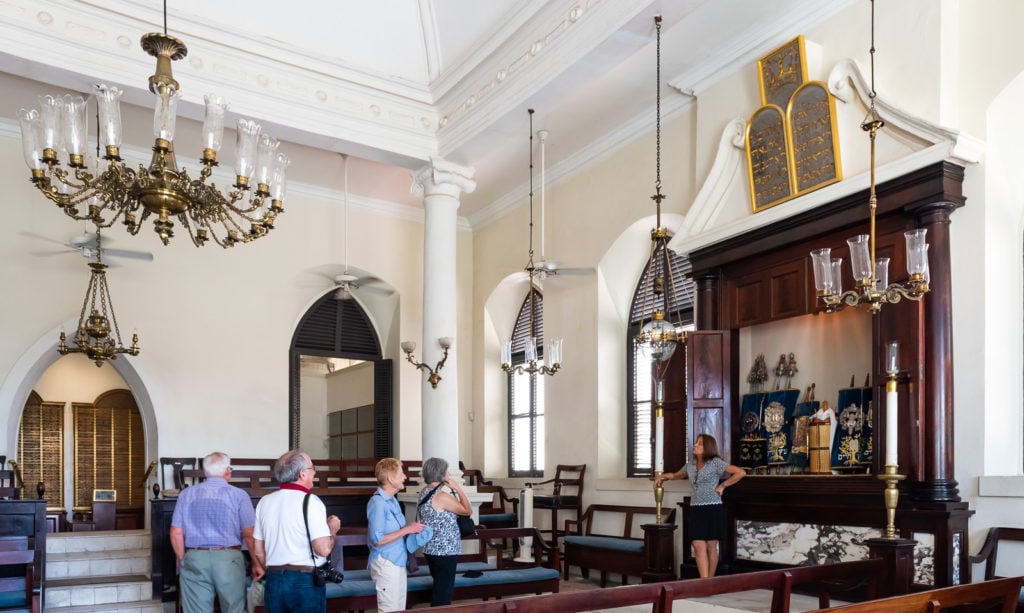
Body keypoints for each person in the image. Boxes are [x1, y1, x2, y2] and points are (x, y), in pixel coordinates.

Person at [251, 450, 341, 613]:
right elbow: (323, 549)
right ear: (302, 474)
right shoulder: (311, 501)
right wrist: (332, 529)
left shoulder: (265, 502)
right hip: (304, 581)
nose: (314, 472)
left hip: (274, 578)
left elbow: (258, 551)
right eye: (313, 468)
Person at [169, 452, 256, 613]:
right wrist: (257, 563)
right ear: (227, 471)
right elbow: (249, 534)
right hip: (229, 558)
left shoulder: (186, 494)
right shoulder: (239, 495)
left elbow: (175, 532)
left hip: (195, 557)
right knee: (234, 610)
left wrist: (184, 560)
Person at [654, 434, 745, 578]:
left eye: (699, 443)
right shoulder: (690, 465)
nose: (695, 445)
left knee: (711, 547)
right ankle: (704, 582)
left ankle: (709, 582)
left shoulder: (715, 462)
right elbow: (677, 475)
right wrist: (662, 477)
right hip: (696, 509)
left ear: (707, 447)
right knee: (697, 545)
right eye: (696, 443)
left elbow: (740, 472)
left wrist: (723, 485)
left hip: (713, 508)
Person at [367, 458, 426, 612]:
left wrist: (416, 531)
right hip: (385, 562)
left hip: (398, 561)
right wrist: (408, 529)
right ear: (391, 478)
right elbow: (377, 540)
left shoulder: (392, 501)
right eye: (401, 473)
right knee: (389, 609)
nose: (405, 477)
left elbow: (398, 533)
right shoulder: (378, 503)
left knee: (399, 608)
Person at [417, 457, 472, 606]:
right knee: (442, 595)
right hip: (445, 551)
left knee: (440, 587)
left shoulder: (424, 492)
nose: (449, 473)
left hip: (431, 549)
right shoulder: (441, 496)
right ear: (441, 474)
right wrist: (458, 489)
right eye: (447, 471)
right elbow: (467, 511)